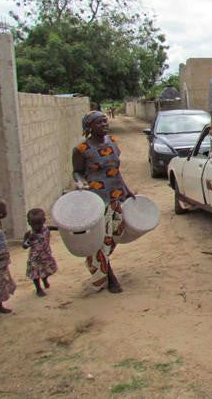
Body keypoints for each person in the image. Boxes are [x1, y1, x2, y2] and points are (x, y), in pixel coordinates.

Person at [72, 110, 135, 293]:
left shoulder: (113, 143)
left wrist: (126, 190)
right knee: (101, 239)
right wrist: (80, 182)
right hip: (96, 199)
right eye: (99, 123)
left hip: (115, 196)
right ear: (89, 127)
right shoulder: (82, 150)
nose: (104, 125)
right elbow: (76, 171)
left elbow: (115, 170)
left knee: (115, 234)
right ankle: (110, 277)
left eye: (105, 121)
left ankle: (99, 263)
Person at [23, 208, 58, 297]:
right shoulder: (29, 234)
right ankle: (38, 288)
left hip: (46, 255)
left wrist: (63, 228)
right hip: (34, 259)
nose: (36, 226)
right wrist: (28, 241)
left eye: (39, 223)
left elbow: (55, 228)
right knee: (35, 274)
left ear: (44, 221)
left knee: (46, 270)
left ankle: (44, 280)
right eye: (33, 224)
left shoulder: (46, 229)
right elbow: (24, 246)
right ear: (29, 222)